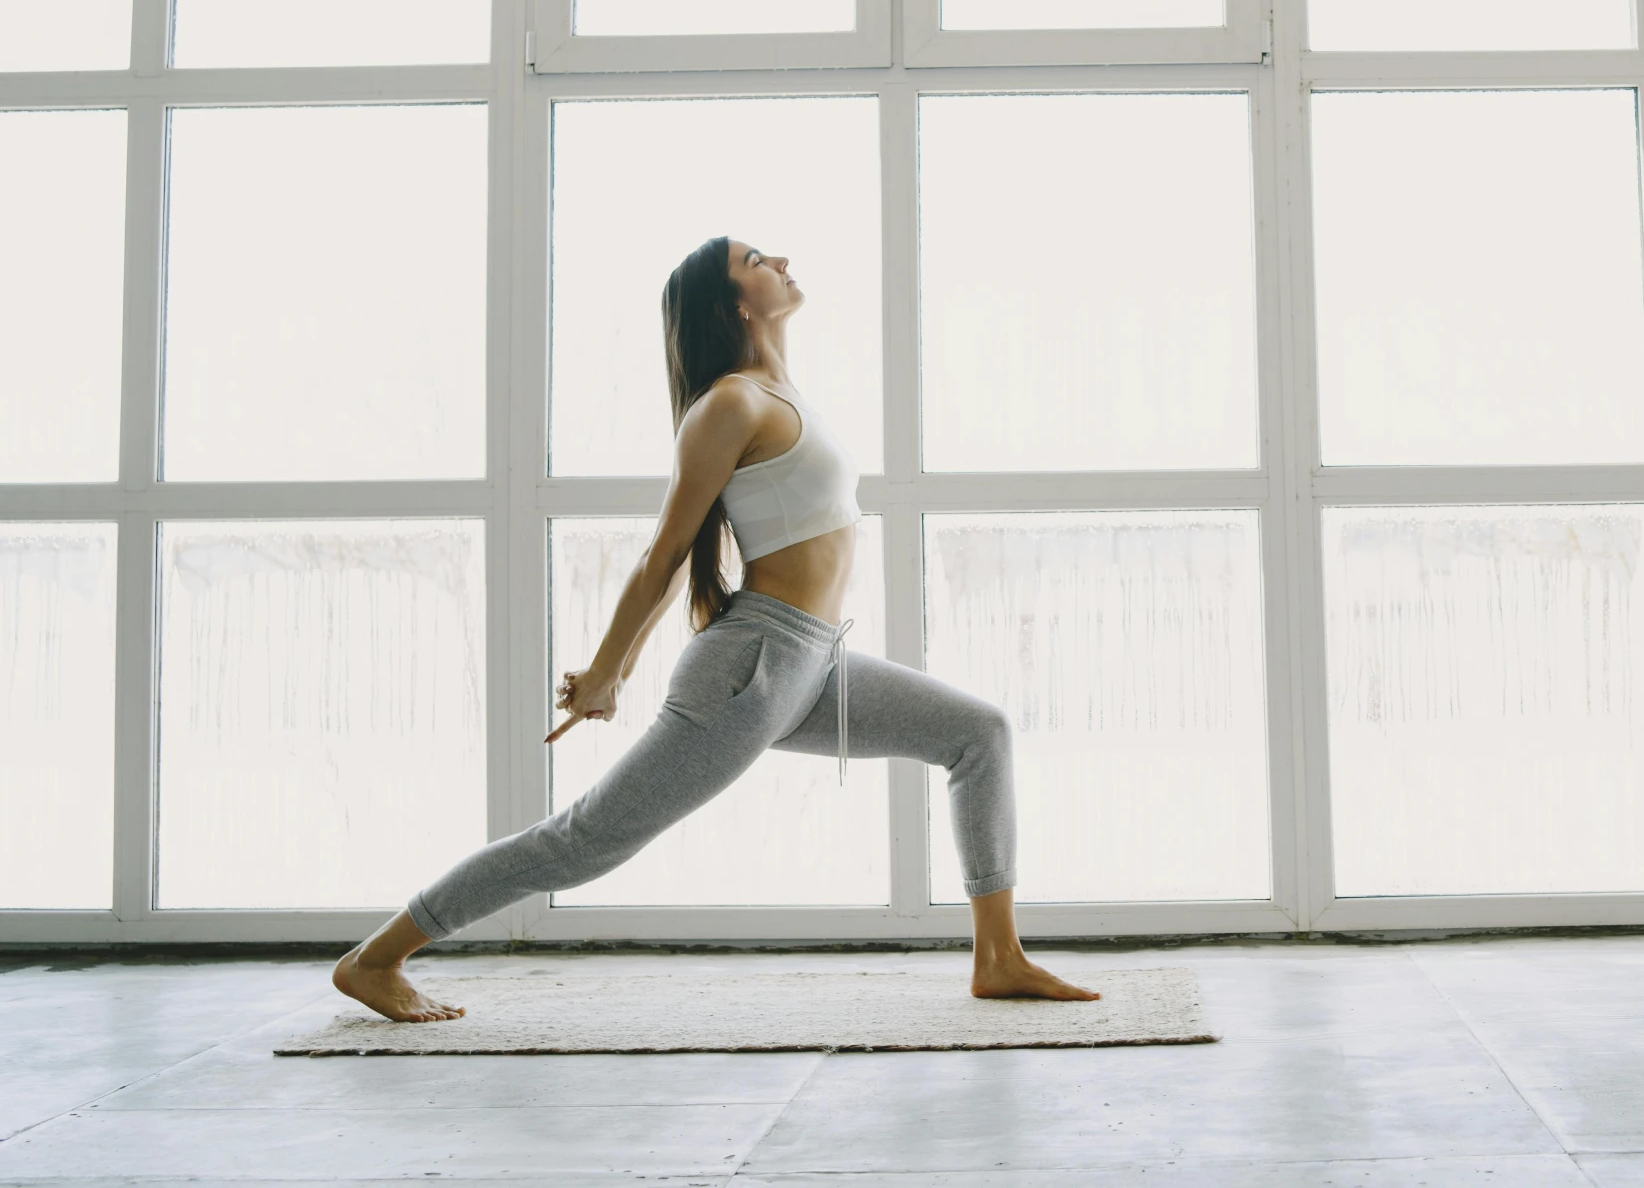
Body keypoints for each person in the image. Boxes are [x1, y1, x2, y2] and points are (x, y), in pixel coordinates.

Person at [333, 235, 1096, 1021]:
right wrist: (607, 670)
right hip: (752, 669)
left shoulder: (782, 393)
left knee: (980, 732)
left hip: (813, 662)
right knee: (583, 840)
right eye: (757, 257)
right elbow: (666, 552)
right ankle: (376, 958)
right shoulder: (730, 403)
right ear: (732, 300)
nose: (782, 258)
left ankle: (999, 957)